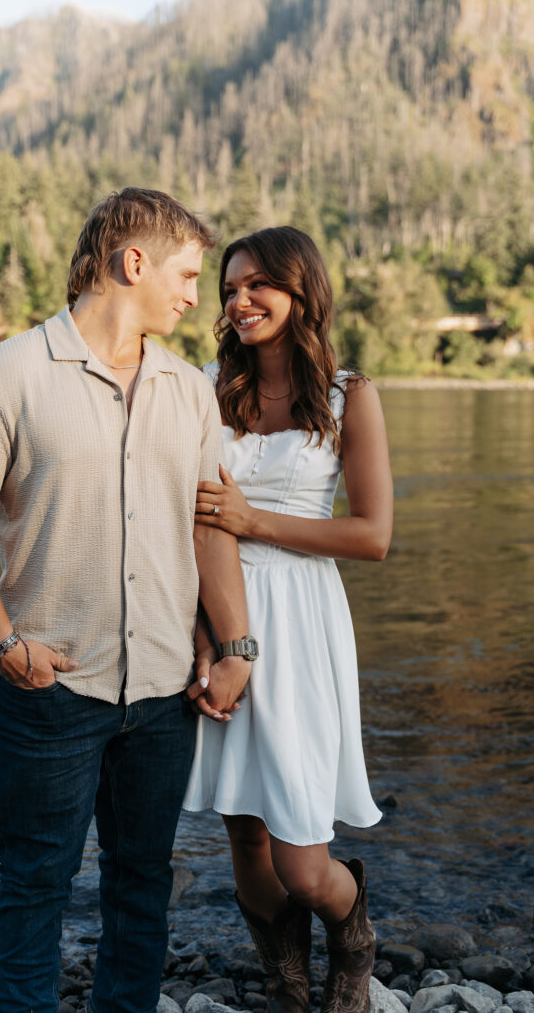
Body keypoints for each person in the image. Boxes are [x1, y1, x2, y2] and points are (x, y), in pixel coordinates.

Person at [0, 187, 256, 1013]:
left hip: (162, 692)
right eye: (186, 274)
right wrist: (5, 646)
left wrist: (234, 646)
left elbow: (208, 527)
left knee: (142, 887)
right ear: (132, 262)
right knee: (35, 885)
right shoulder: (7, 374)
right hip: (48, 687)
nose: (194, 296)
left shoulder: (188, 389)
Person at [184, 226, 393, 1013]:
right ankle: (285, 977)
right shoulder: (207, 388)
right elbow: (194, 522)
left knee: (301, 856)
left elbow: (370, 537)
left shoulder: (350, 395)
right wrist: (206, 637)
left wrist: (254, 520)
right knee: (243, 826)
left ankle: (351, 934)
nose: (239, 300)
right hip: (220, 609)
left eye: (258, 284)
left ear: (301, 291)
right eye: (230, 287)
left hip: (302, 620)